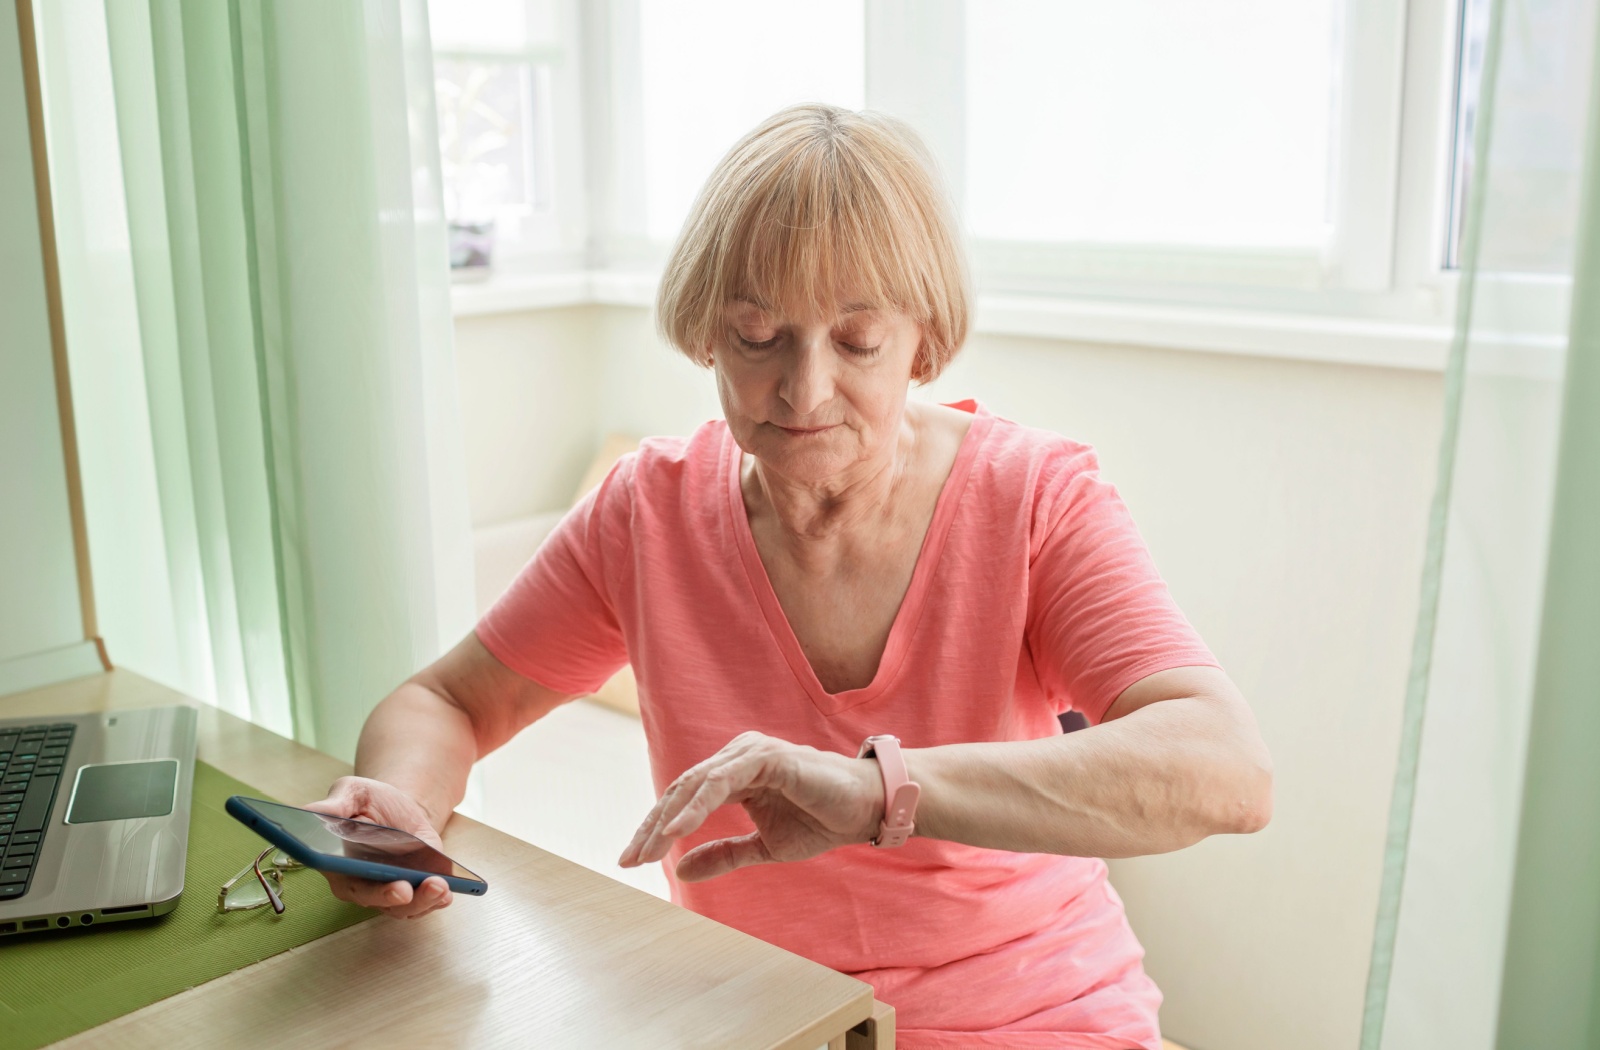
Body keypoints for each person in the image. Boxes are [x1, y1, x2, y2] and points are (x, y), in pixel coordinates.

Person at [308, 104, 1273, 1049]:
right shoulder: (649, 509)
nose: (805, 390)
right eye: (758, 335)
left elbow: (1224, 769)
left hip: (1033, 1013)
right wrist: (399, 809)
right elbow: (447, 700)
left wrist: (875, 791)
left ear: (923, 344)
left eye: (857, 343)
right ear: (705, 337)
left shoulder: (1033, 497)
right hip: (761, 1015)